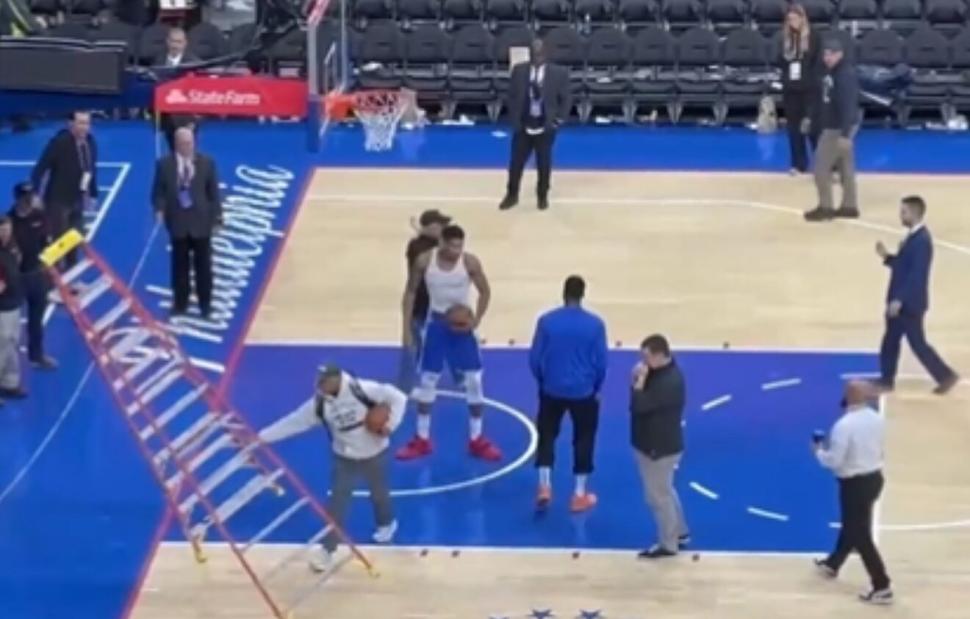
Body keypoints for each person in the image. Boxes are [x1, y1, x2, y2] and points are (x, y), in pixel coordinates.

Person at [257, 365, 406, 572]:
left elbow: (398, 397)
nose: (320, 385)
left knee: (379, 495)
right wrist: (261, 437)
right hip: (344, 459)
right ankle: (328, 550)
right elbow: (294, 422)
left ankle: (386, 523)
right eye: (319, 380)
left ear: (336, 380)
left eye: (324, 381)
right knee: (337, 505)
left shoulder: (362, 389)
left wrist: (390, 425)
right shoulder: (319, 404)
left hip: (375, 454)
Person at [397, 224, 501, 461]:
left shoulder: (470, 262)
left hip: (462, 329)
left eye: (460, 246)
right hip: (436, 325)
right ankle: (422, 439)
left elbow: (485, 291)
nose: (456, 251)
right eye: (452, 246)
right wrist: (406, 329)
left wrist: (476, 320)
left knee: (474, 381)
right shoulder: (425, 261)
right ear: (442, 243)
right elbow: (410, 293)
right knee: (428, 382)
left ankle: (477, 439)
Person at [528, 275, 607, 513]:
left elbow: (535, 358)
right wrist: (595, 387)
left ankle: (544, 486)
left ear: (564, 293)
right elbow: (601, 362)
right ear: (583, 294)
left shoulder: (547, 321)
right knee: (584, 439)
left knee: (547, 435)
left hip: (551, 388)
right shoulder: (595, 324)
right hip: (583, 392)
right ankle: (579, 494)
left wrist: (543, 381)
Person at [813, 380, 893, 605]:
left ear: (847, 397)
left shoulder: (844, 426)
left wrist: (818, 451)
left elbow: (835, 461)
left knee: (860, 534)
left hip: (855, 484)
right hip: (875, 478)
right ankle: (833, 563)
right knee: (853, 524)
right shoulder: (877, 419)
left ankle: (882, 586)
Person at [874, 196, 959, 394]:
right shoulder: (913, 237)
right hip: (905, 300)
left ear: (914, 213)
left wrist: (899, 299)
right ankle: (887, 380)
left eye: (903, 212)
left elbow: (916, 275)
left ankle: (945, 376)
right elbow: (904, 267)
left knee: (916, 344)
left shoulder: (921, 241)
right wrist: (887, 257)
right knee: (891, 341)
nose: (900, 215)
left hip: (909, 303)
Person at [151, 127, 222, 318]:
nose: (187, 147)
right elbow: (158, 192)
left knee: (203, 267)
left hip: (201, 223)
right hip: (177, 223)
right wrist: (159, 209)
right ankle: (180, 303)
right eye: (183, 144)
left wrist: (217, 218)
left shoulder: (207, 163)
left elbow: (214, 193)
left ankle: (205, 304)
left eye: (190, 143)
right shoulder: (164, 165)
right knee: (179, 266)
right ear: (176, 144)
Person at [631, 334, 689, 559]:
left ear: (659, 355)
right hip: (655, 443)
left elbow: (639, 405)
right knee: (665, 491)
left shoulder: (669, 383)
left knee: (657, 497)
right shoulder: (660, 373)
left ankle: (668, 543)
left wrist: (639, 382)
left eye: (646, 357)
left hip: (658, 448)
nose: (643, 362)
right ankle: (680, 532)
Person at [498, 38, 571, 212]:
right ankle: (512, 195)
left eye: (539, 54)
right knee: (516, 163)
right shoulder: (519, 70)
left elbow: (566, 99)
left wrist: (558, 120)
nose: (536, 57)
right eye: (533, 54)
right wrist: (514, 120)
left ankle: (542, 196)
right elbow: (511, 96)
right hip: (523, 124)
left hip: (546, 125)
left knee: (543, 164)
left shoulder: (559, 73)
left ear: (546, 54)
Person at [30, 111, 98, 270]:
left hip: (77, 198)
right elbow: (40, 169)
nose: (84, 127)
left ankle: (71, 271)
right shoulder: (59, 143)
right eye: (80, 123)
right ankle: (53, 275)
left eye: (87, 123)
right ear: (71, 124)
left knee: (75, 237)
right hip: (58, 200)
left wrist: (93, 193)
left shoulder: (90, 142)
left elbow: (91, 169)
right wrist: (35, 193)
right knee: (58, 241)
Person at [805, 36, 860, 222]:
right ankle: (849, 206)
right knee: (845, 167)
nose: (827, 58)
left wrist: (844, 134)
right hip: (840, 126)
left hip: (836, 128)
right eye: (825, 54)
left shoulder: (844, 75)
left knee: (820, 169)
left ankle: (826, 208)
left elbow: (848, 106)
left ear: (840, 55)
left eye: (832, 54)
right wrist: (812, 118)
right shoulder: (831, 72)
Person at [398, 209, 451, 391]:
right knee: (412, 346)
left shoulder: (437, 243)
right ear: (430, 227)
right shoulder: (416, 247)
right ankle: (405, 386)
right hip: (420, 303)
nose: (444, 228)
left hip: (438, 303)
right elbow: (435, 257)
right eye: (440, 225)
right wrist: (422, 232)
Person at [9, 182, 56, 370]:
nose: (29, 202)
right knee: (9, 324)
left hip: (37, 275)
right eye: (25, 198)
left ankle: (37, 356)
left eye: (31, 197)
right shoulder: (8, 222)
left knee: (36, 320)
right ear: (18, 199)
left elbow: (47, 242)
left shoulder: (40, 216)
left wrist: (49, 268)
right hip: (16, 279)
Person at [780, 4, 820, 174]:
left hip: (810, 89)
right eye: (790, 20)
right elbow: (781, 62)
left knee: (813, 128)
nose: (792, 22)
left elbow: (818, 63)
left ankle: (823, 164)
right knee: (794, 129)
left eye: (795, 19)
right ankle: (798, 164)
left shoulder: (814, 37)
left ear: (803, 18)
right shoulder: (785, 39)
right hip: (791, 90)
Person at [156, 27, 200, 152]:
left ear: (185, 43)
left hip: (186, 116)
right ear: (167, 42)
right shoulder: (158, 60)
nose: (175, 45)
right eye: (173, 41)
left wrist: (194, 119)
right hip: (165, 115)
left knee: (186, 150)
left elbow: (197, 91)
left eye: (179, 42)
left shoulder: (194, 63)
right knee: (171, 148)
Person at [0, 216, 27, 402]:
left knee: (11, 345)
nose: (5, 233)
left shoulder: (11, 248)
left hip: (14, 305)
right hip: (2, 309)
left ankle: (9, 383)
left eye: (7, 229)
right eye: (2, 230)